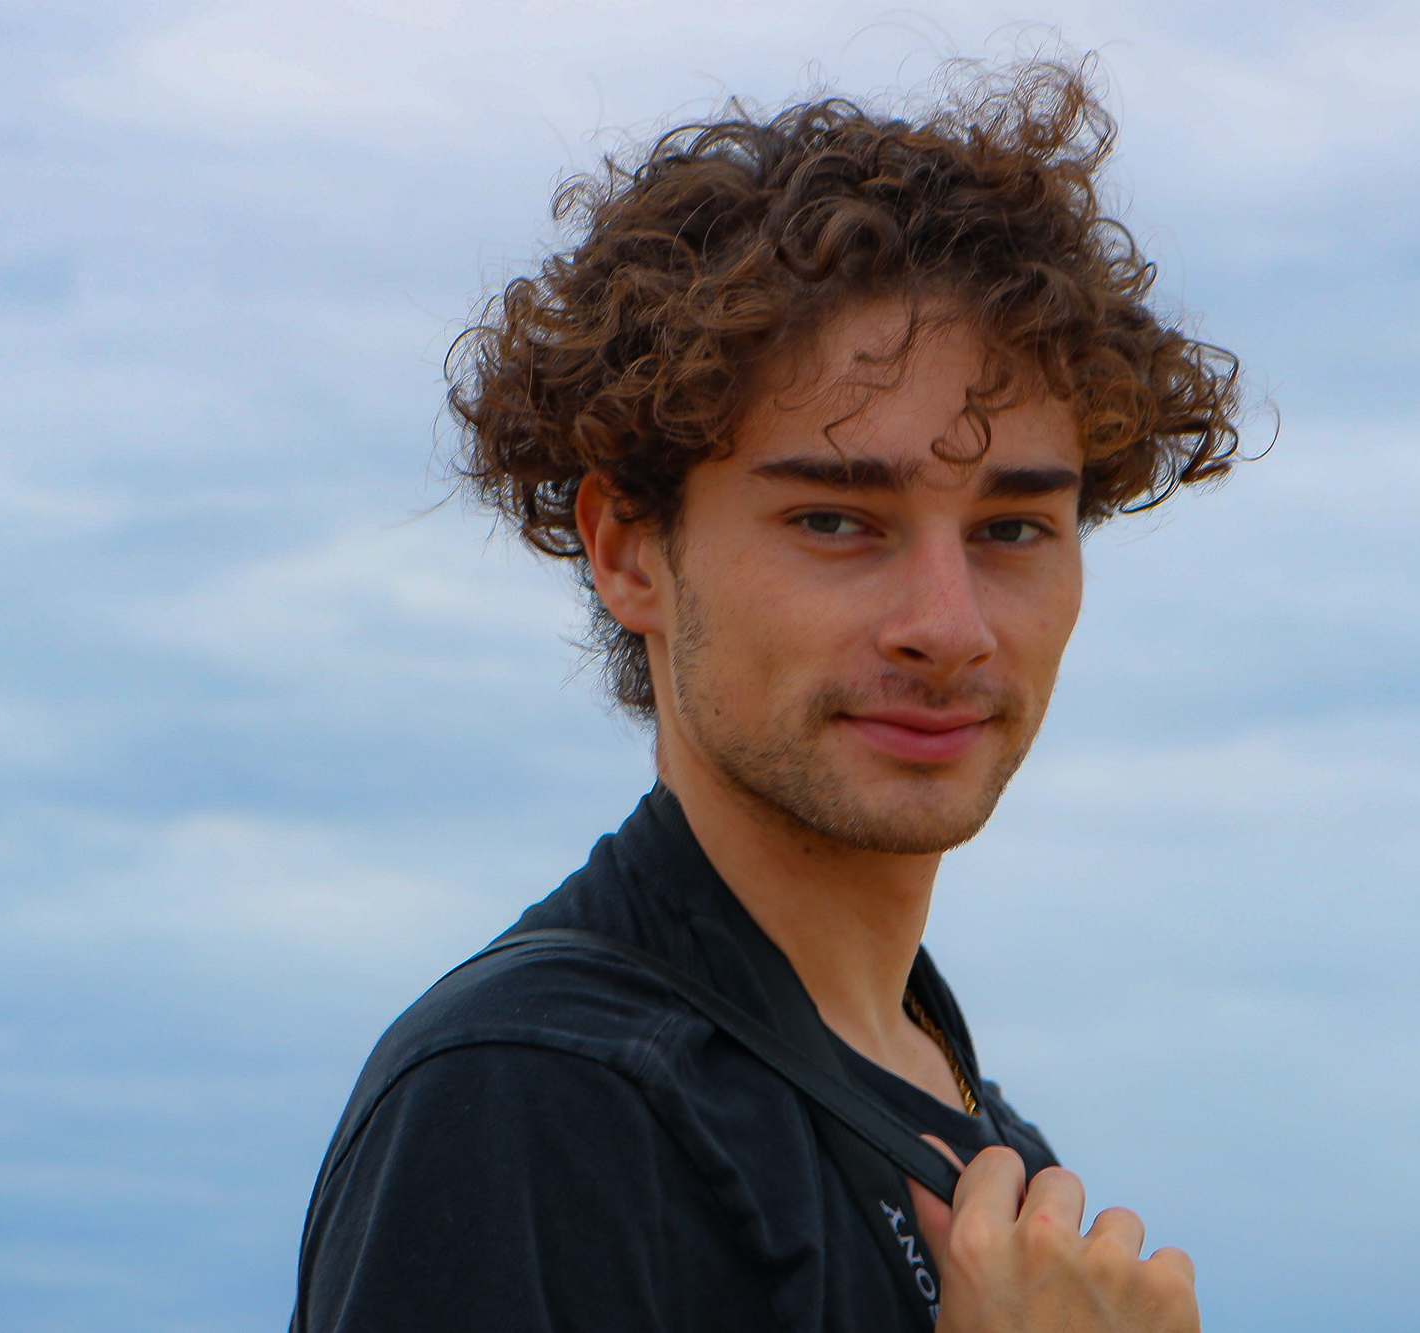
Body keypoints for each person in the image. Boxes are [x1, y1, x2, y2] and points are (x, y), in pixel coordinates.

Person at [291, 57, 1241, 1332]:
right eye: (838, 518)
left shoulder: (983, 1147)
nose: (946, 628)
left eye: (1013, 530)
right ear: (630, 548)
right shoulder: (535, 1097)